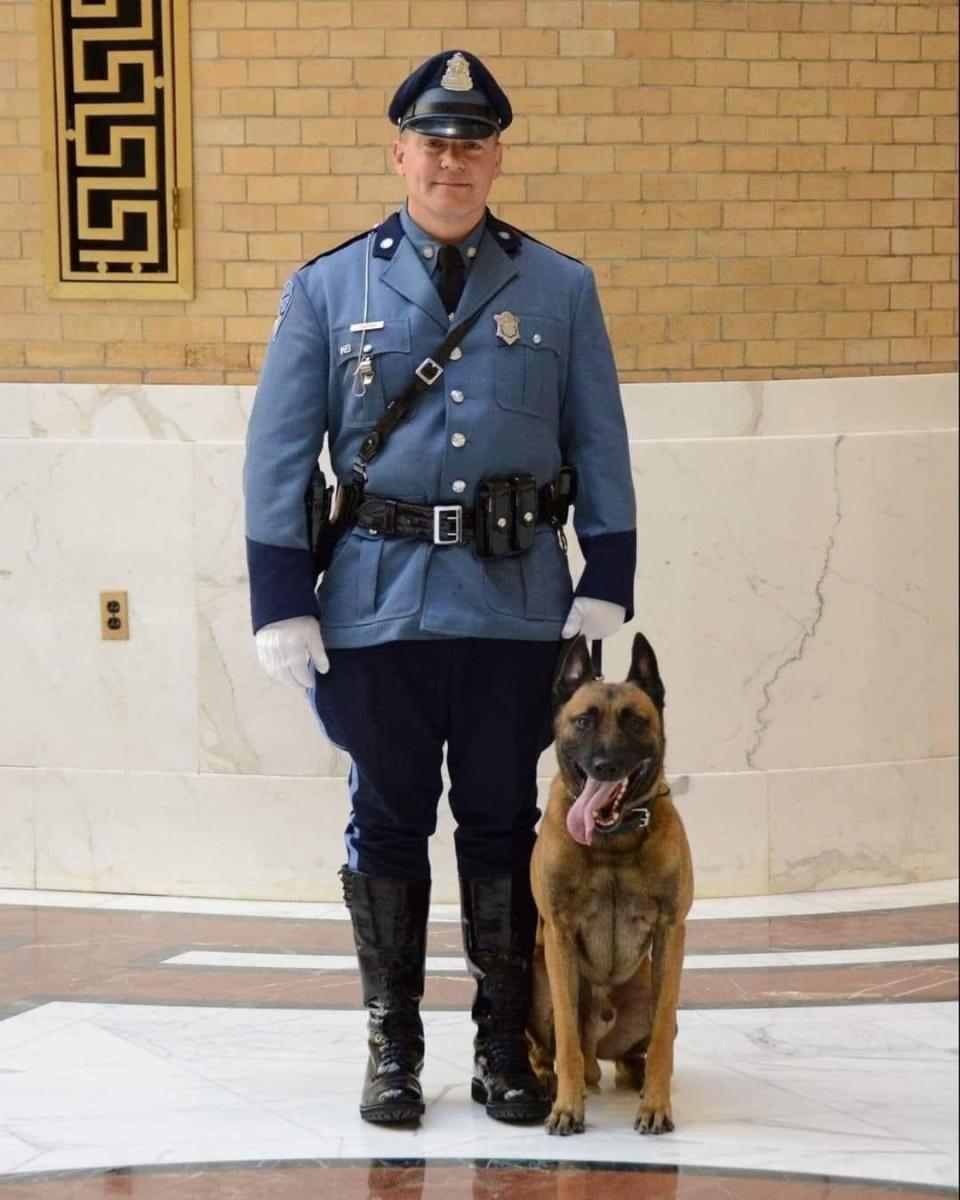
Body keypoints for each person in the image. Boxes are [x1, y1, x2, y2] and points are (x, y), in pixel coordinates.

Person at [243, 50, 636, 1127]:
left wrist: (605, 576)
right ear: (400, 154)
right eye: (434, 144)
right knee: (386, 822)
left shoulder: (560, 286)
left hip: (517, 608)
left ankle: (505, 1045)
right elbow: (279, 453)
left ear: (496, 157)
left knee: (505, 823)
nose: (451, 164)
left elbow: (597, 436)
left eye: (472, 145)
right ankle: (393, 1050)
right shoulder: (330, 286)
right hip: (375, 608)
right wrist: (282, 598)